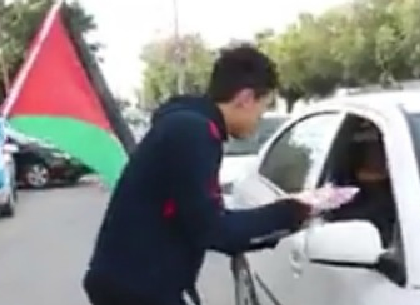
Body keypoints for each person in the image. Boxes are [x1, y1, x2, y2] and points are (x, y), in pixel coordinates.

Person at [83, 45, 314, 305]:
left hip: (137, 283)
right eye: (263, 107)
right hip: (136, 289)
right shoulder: (195, 132)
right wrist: (290, 212)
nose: (260, 119)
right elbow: (211, 228)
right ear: (246, 98)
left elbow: (195, 218)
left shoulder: (187, 124)